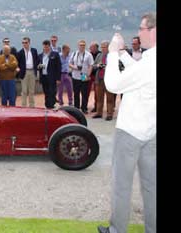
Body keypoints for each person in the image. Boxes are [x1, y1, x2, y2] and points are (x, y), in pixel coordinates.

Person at [97, 12, 156, 233]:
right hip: (151, 131)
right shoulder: (150, 62)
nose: (139, 33)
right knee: (152, 188)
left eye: (142, 28)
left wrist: (112, 54)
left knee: (121, 185)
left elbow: (113, 84)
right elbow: (138, 73)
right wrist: (123, 54)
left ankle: (116, 230)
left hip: (130, 131)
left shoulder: (149, 64)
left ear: (154, 31)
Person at [92, 41, 115, 121]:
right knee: (99, 98)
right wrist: (98, 65)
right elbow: (93, 66)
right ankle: (99, 113)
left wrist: (106, 66)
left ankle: (109, 114)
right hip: (99, 79)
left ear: (108, 47)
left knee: (110, 98)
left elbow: (117, 67)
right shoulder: (99, 55)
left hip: (109, 80)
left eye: (104, 47)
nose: (102, 49)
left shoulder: (113, 56)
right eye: (102, 47)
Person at [69, 40, 94, 114]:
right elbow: (69, 64)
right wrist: (75, 67)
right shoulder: (74, 54)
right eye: (80, 45)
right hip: (75, 76)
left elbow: (91, 65)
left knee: (84, 93)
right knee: (76, 93)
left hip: (83, 76)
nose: (82, 46)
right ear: (78, 46)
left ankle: (84, 108)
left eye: (83, 45)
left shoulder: (88, 55)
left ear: (85, 46)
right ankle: (76, 108)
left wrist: (88, 75)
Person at [37, 40, 62, 109]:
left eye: (47, 47)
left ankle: (52, 106)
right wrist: (40, 66)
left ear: (49, 46)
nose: (45, 48)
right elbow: (37, 66)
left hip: (52, 77)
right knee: (46, 93)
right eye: (44, 47)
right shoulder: (40, 55)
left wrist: (58, 78)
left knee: (52, 92)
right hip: (44, 77)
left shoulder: (55, 54)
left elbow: (58, 67)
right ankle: (47, 106)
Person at [17, 37, 39, 107]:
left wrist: (35, 66)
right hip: (24, 72)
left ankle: (32, 106)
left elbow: (37, 60)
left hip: (32, 71)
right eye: (23, 43)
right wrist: (19, 69)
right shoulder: (20, 52)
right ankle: (23, 106)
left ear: (29, 43)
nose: (24, 44)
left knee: (31, 90)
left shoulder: (34, 50)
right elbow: (17, 62)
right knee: (24, 91)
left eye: (26, 42)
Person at [89, 41, 102, 113]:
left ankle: (96, 107)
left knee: (97, 93)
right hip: (87, 75)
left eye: (93, 47)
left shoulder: (100, 54)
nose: (91, 48)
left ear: (97, 48)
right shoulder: (87, 54)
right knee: (84, 91)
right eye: (91, 47)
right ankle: (84, 106)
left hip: (97, 76)